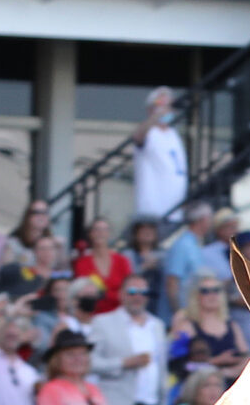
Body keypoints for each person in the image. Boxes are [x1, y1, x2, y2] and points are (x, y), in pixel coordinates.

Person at [90, 273, 168, 405]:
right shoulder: (102, 322)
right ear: (121, 294)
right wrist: (124, 363)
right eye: (132, 292)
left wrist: (163, 403)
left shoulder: (157, 325)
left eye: (143, 293)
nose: (138, 297)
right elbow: (90, 362)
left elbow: (162, 367)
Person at [167, 275, 250, 378]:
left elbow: (247, 358)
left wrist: (229, 372)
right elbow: (179, 366)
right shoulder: (186, 326)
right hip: (197, 388)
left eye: (216, 290)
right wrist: (216, 361)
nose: (212, 295)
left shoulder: (232, 326)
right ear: (196, 295)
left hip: (231, 386)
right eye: (205, 291)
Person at [132, 86, 190, 222]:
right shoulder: (150, 133)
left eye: (169, 104)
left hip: (175, 208)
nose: (167, 109)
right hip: (153, 209)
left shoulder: (173, 134)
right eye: (162, 104)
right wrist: (156, 116)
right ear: (150, 109)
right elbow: (137, 137)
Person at [72, 218, 132, 316]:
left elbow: (129, 288)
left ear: (109, 233)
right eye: (97, 230)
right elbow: (81, 291)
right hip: (92, 315)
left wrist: (105, 295)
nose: (100, 233)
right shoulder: (81, 263)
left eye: (104, 230)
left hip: (119, 314)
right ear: (90, 234)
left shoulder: (122, 261)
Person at [163, 202, 213, 313]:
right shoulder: (183, 245)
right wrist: (179, 313)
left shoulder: (195, 244)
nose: (211, 222)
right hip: (183, 316)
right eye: (209, 218)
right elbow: (172, 282)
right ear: (202, 219)